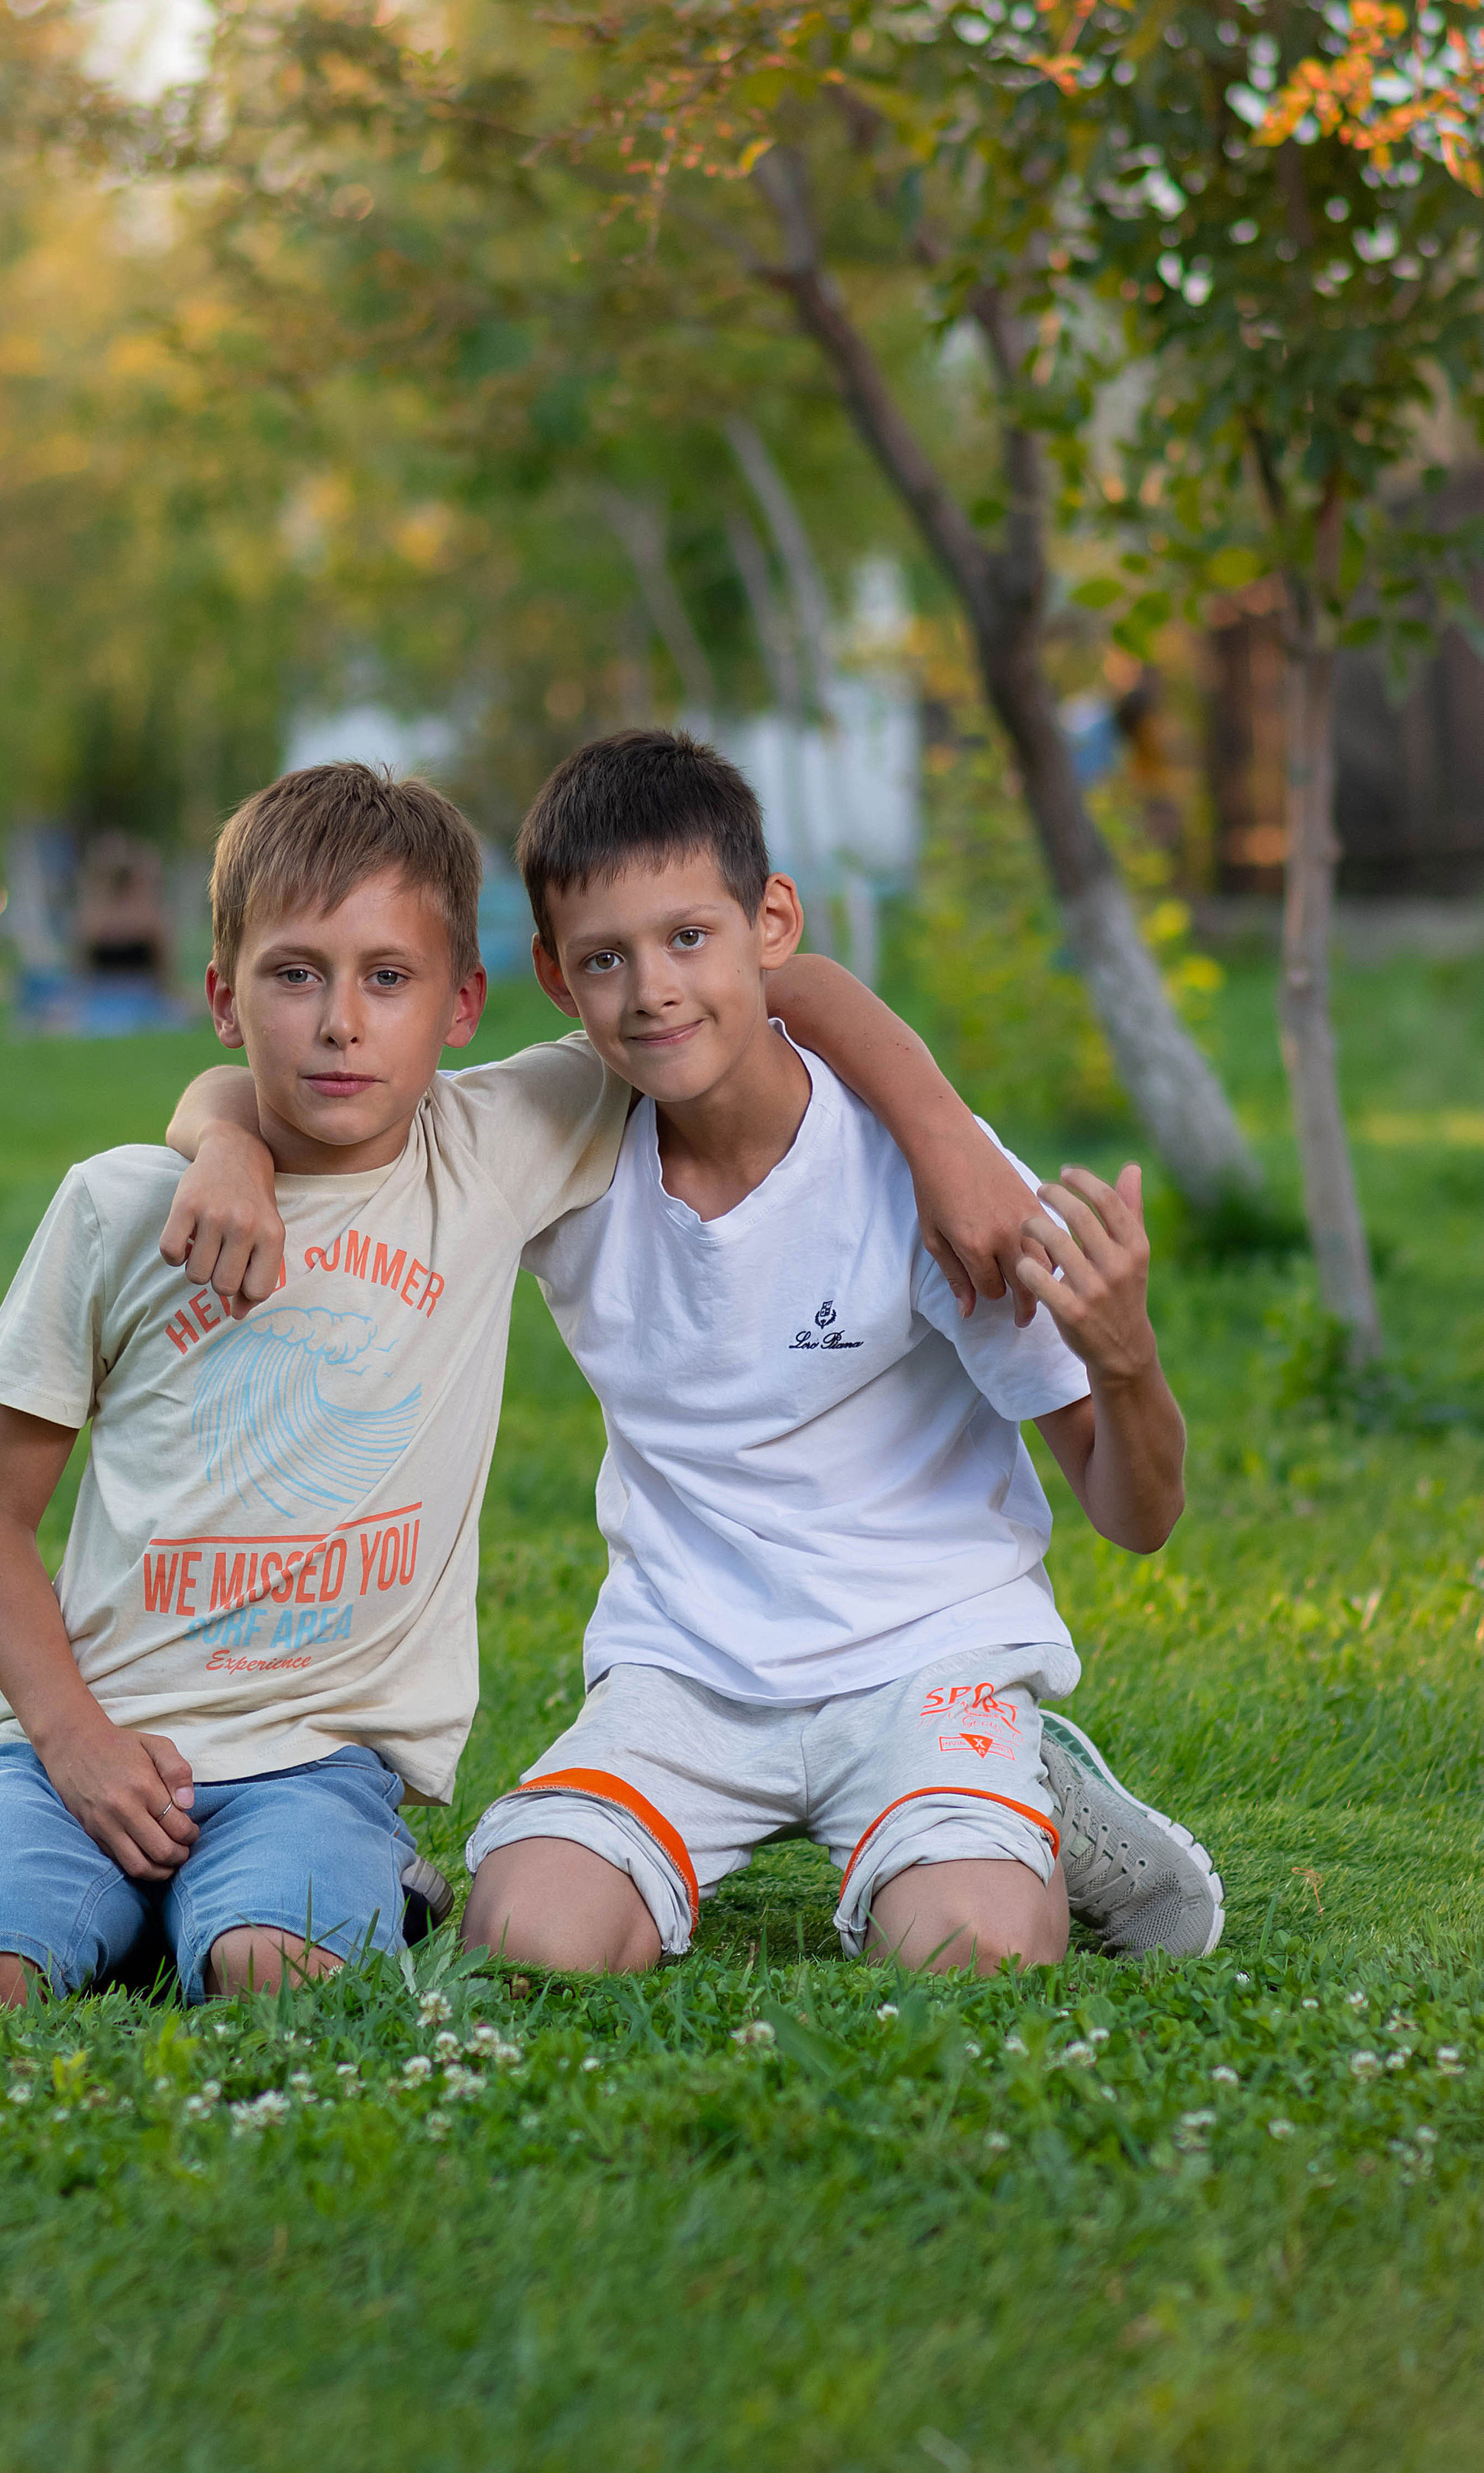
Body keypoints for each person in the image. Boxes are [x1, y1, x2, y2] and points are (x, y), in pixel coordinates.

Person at [0, 761, 1036, 2015]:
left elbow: (767, 976)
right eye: (295, 976)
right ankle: (154, 1896)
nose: (339, 1024)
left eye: (388, 979)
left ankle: (312, 1884)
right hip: (74, 1748)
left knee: (282, 1978)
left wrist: (946, 1135)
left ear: (464, 1003)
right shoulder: (119, 1208)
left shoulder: (498, 1144)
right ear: (223, 998)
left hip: (315, 1759)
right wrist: (223, 1141)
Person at [458, 731, 1221, 1974]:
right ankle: (954, 1800)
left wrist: (1127, 1362)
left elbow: (1134, 1516)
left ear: (771, 920)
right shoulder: (560, 1136)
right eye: (607, 958)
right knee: (529, 1941)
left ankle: (1013, 1775)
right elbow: (355, 1119)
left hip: (927, 1651)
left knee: (969, 1953)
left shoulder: (937, 1182)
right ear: (555, 976)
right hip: (685, 1668)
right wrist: (218, 1132)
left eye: (688, 938)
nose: (652, 988)